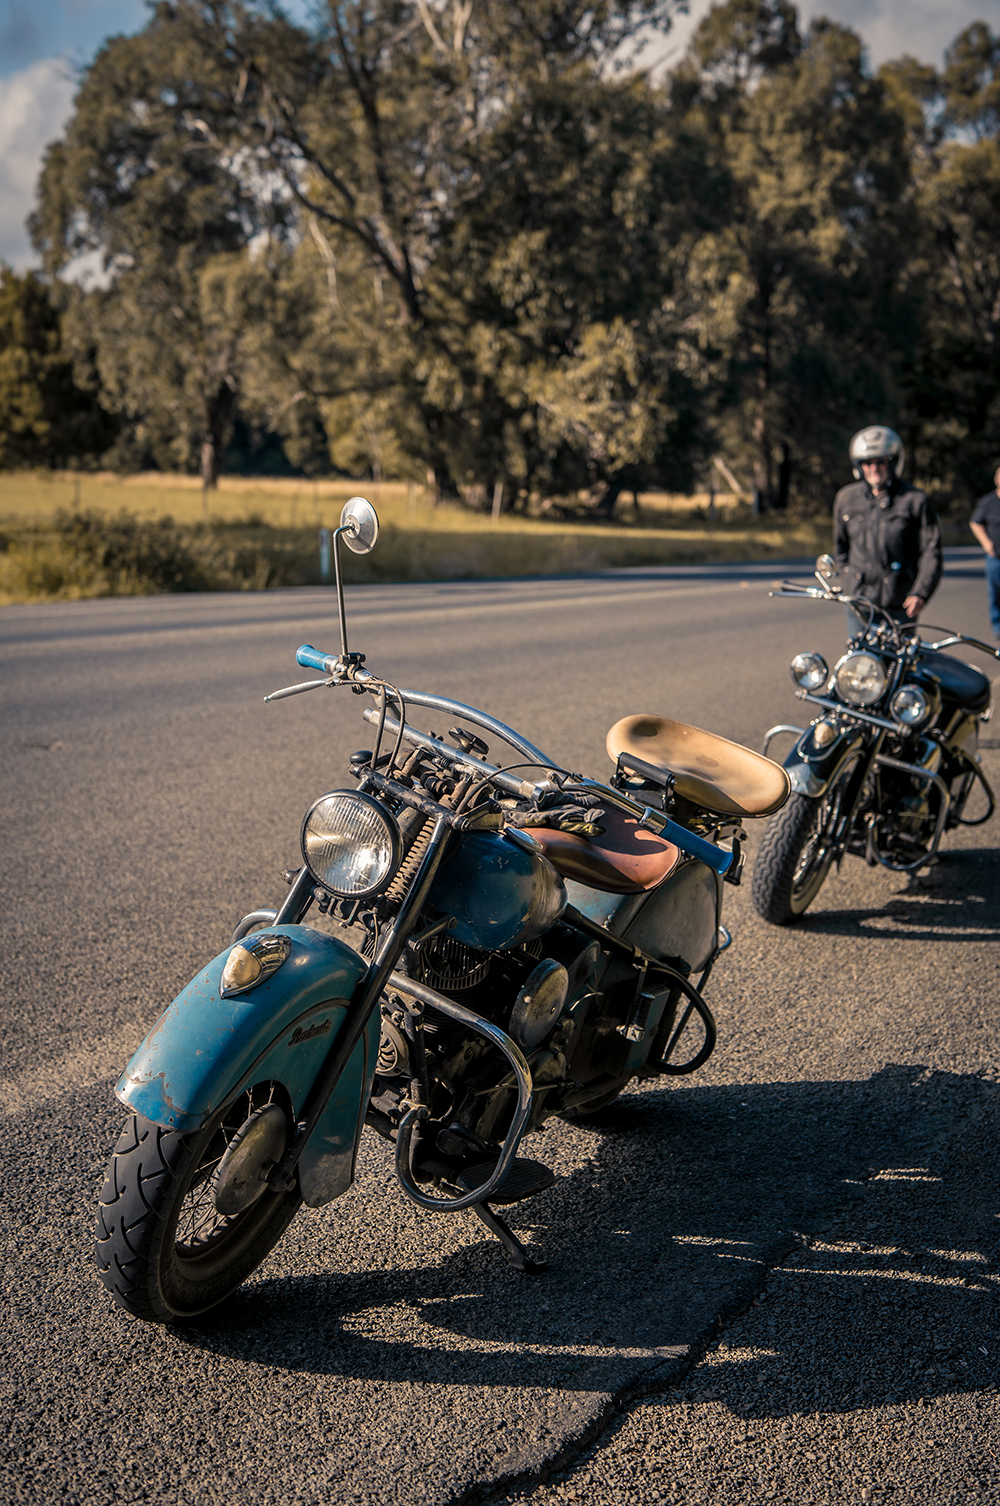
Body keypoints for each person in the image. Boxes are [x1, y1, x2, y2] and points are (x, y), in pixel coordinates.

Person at [833, 426, 942, 624]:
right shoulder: (846, 499)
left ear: (893, 463)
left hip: (899, 603)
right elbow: (841, 549)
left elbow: (931, 552)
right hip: (859, 603)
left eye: (880, 462)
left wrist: (921, 592)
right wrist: (848, 582)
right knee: (860, 656)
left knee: (899, 655)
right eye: (867, 463)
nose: (873, 468)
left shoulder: (915, 500)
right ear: (858, 465)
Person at [969, 464, 1000, 643]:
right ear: (996, 480)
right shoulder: (988, 502)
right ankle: (998, 627)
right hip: (995, 558)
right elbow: (975, 522)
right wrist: (986, 543)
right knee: (995, 594)